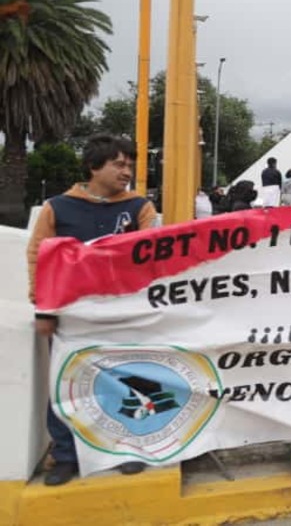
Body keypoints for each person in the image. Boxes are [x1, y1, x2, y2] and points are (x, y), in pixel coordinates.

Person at [27, 135, 157, 486]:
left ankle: (126, 448)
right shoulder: (58, 207)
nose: (126, 171)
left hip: (121, 313)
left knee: (124, 382)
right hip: (71, 315)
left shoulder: (140, 208)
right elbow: (39, 255)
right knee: (67, 383)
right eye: (118, 164)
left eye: (129, 164)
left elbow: (156, 256)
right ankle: (66, 457)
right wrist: (43, 308)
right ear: (93, 167)